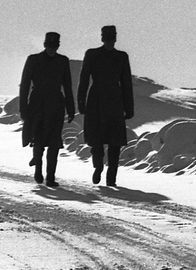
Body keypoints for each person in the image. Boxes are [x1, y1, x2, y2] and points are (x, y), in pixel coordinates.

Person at [77, 25, 134, 187]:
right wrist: (81, 103)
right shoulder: (92, 54)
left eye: (112, 40)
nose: (110, 43)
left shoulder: (122, 57)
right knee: (97, 139)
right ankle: (98, 165)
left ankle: (111, 179)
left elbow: (126, 83)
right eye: (107, 40)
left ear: (115, 39)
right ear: (103, 39)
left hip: (115, 101)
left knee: (115, 142)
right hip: (96, 100)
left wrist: (129, 107)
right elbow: (84, 80)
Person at [20, 32, 76, 187]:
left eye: (55, 46)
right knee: (38, 138)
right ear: (45, 45)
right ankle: (38, 168)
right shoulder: (33, 60)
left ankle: (50, 176)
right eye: (49, 46)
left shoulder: (62, 61)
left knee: (54, 142)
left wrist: (71, 108)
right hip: (37, 104)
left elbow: (67, 86)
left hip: (56, 105)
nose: (52, 49)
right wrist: (23, 108)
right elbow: (25, 85)